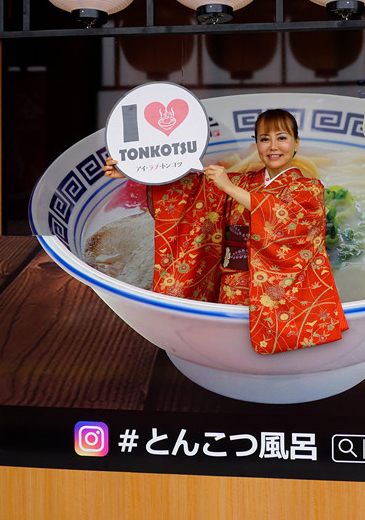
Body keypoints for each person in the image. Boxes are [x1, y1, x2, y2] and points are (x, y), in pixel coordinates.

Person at [104, 108, 348, 355]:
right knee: (225, 349)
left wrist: (228, 187)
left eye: (282, 138)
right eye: (265, 139)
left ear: (296, 143)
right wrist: (133, 172)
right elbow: (189, 189)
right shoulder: (242, 182)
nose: (273, 146)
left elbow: (284, 215)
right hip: (232, 284)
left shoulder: (309, 188)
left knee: (272, 358)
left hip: (279, 292)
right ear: (257, 144)